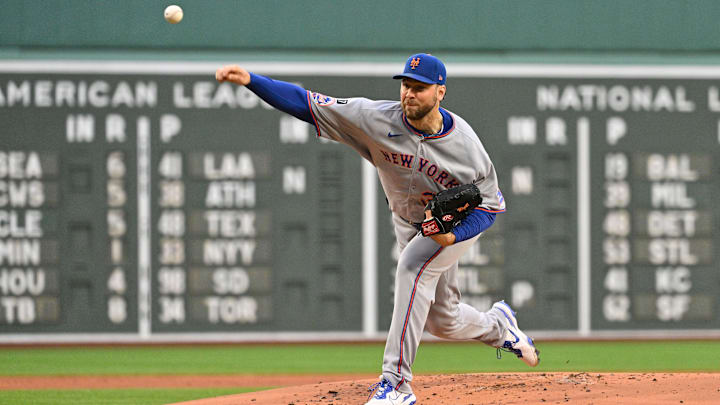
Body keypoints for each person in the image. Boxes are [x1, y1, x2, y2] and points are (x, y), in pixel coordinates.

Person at [216, 53, 539, 405]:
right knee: (442, 321)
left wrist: (451, 236)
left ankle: (396, 383)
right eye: (405, 85)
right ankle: (500, 327)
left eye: (420, 87)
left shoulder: (468, 148)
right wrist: (252, 81)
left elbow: (490, 207)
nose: (409, 94)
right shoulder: (372, 118)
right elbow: (305, 104)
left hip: (453, 226)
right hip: (406, 220)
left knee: (413, 268)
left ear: (440, 92)